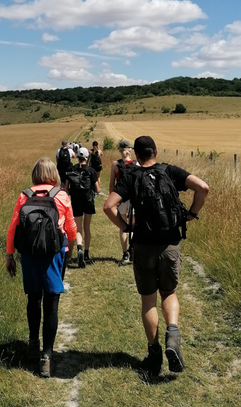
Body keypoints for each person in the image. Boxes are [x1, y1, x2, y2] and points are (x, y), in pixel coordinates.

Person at [103, 136, 209, 378]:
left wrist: (126, 226)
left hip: (143, 246)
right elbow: (203, 188)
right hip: (170, 243)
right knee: (169, 293)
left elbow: (108, 206)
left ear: (136, 156)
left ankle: (154, 353)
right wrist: (191, 214)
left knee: (148, 300)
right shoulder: (170, 171)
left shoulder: (131, 176)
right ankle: (173, 333)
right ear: (156, 152)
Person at [6, 157, 77, 378]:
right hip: (54, 255)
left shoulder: (24, 196)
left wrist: (10, 256)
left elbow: (12, 228)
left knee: (33, 299)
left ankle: (32, 342)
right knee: (52, 304)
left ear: (35, 174)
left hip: (28, 255)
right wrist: (70, 251)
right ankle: (46, 356)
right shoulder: (61, 196)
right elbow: (72, 228)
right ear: (54, 174)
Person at [65, 146, 100, 268]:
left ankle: (78, 247)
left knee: (78, 228)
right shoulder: (91, 171)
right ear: (87, 157)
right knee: (87, 227)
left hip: (76, 201)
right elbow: (98, 189)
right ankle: (86, 254)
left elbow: (66, 190)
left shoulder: (71, 169)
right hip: (88, 200)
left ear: (78, 157)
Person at [108, 139, 138, 265]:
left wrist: (112, 199)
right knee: (133, 226)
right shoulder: (137, 165)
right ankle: (133, 251)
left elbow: (111, 185)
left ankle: (125, 253)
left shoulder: (115, 164)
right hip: (133, 199)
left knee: (123, 227)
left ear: (119, 150)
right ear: (130, 150)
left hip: (120, 198)